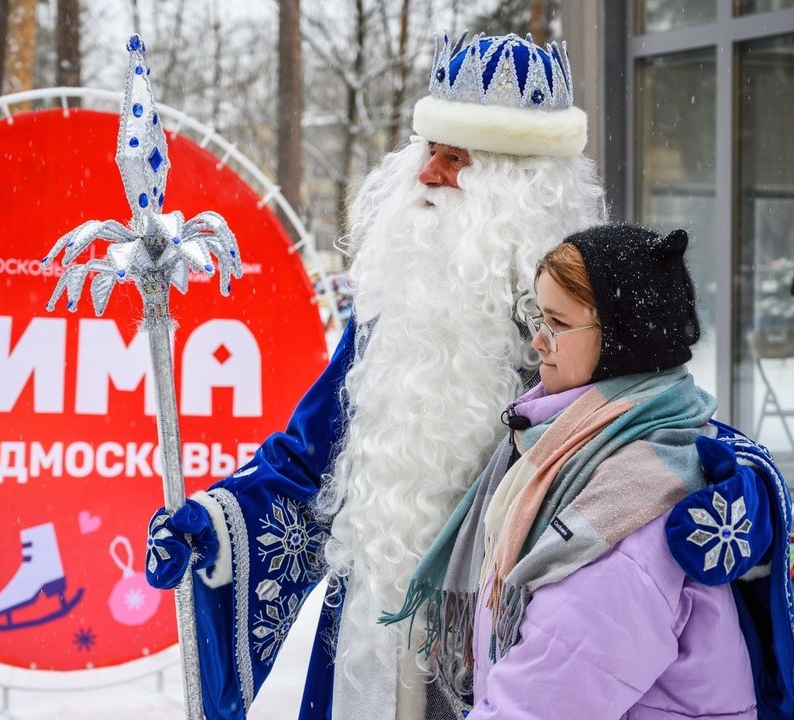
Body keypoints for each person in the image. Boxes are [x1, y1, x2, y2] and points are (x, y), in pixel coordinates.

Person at [146, 32, 605, 720]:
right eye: (429, 152)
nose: (428, 175)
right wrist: (216, 526)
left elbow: (648, 428)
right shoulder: (392, 313)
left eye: (456, 159)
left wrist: (726, 485)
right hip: (375, 642)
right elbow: (311, 459)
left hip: (520, 647)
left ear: (521, 187)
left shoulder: (581, 324)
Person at [384, 223, 794, 718]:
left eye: (557, 323)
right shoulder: (578, 442)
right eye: (537, 317)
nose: (538, 342)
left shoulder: (630, 506)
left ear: (624, 339)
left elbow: (539, 704)